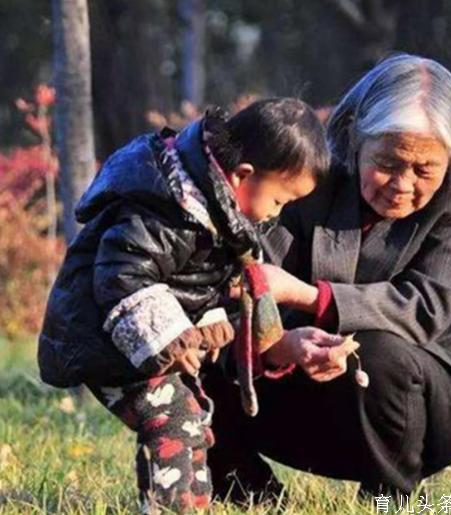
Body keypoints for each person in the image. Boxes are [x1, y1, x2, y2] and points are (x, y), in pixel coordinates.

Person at [202, 54, 451, 501]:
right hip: (292, 382)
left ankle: (388, 497)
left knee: (380, 348)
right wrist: (280, 345)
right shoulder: (303, 167)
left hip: (422, 401)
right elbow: (243, 283)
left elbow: (426, 308)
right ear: (354, 138)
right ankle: (247, 490)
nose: (402, 185)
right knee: (185, 339)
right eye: (387, 162)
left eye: (425, 170)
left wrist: (310, 297)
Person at [37, 98, 343, 513]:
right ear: (242, 176)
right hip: (109, 342)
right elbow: (121, 276)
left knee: (194, 416)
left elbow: (195, 282)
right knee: (175, 418)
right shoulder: (169, 209)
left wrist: (211, 316)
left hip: (138, 345)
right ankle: (171, 507)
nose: (276, 215)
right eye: (279, 201)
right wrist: (171, 333)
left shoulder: (216, 216)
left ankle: (195, 503)